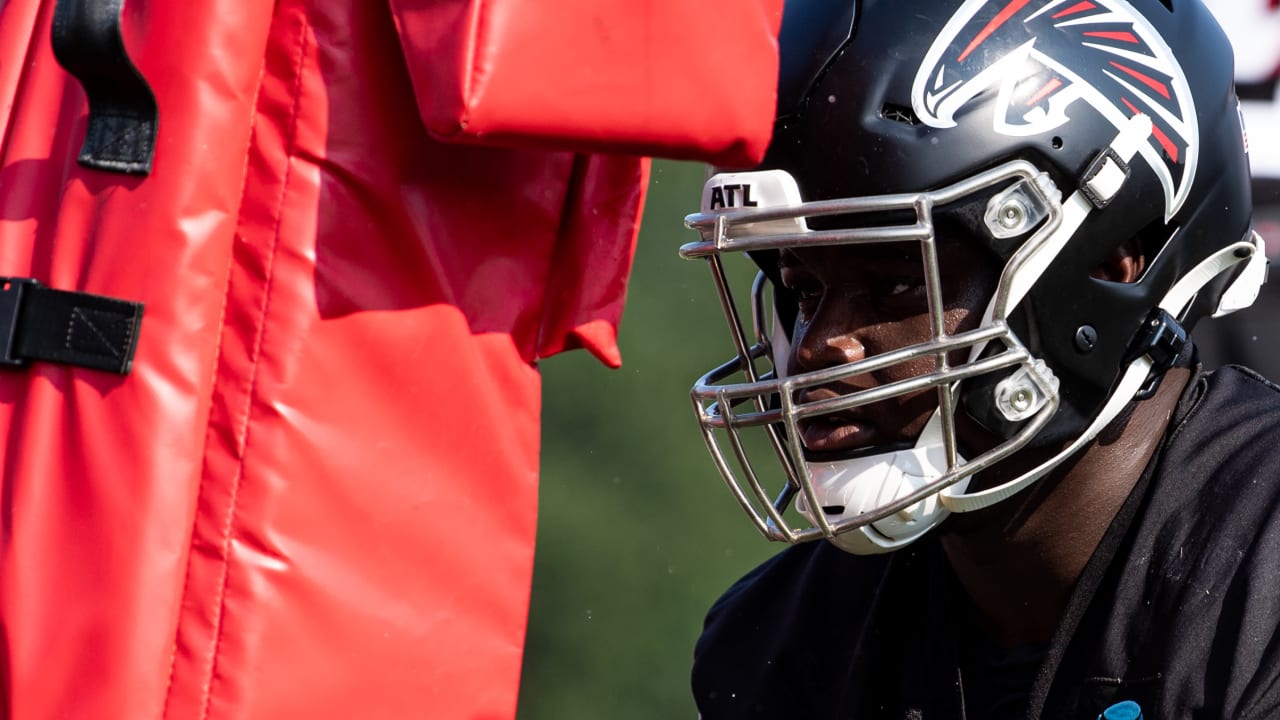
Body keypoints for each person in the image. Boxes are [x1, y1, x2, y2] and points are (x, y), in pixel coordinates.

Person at [678, 0, 1276, 718]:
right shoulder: (787, 641)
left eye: (897, 279)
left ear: (1113, 261)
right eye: (803, 287)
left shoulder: (1258, 586)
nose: (815, 345)